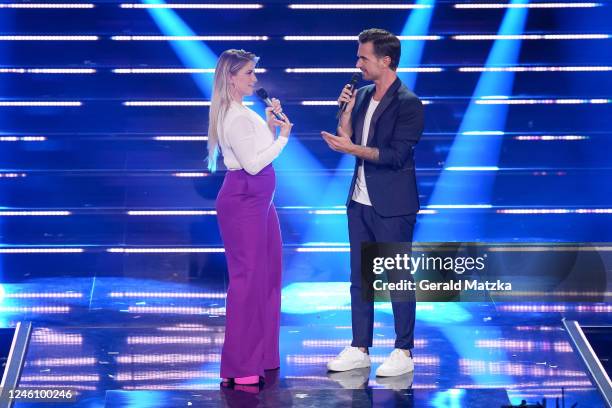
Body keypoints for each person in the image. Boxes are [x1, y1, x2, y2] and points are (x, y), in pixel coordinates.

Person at [321, 28, 424, 377]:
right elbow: (347, 137)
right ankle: (360, 346)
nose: (358, 63)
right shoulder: (363, 94)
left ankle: (403, 350)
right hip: (360, 200)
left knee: (397, 277)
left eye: (364, 57)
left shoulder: (408, 103)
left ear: (386, 60)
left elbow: (395, 156)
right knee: (359, 278)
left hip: (393, 204)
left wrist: (351, 149)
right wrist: (346, 112)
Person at [208, 49, 293, 386]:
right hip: (245, 200)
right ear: (231, 77)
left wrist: (272, 130)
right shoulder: (235, 116)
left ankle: (262, 355)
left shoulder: (244, 112)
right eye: (248, 74)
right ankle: (241, 365)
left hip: (260, 201)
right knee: (248, 280)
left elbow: (255, 153)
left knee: (268, 274)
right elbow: (253, 164)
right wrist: (284, 139)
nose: (254, 79)